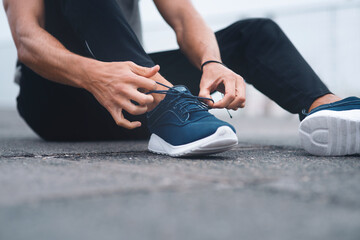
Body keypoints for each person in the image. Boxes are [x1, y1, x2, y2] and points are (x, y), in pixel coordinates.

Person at [3, 0, 360, 157]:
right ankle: (164, 107)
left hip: (134, 90)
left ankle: (325, 113)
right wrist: (95, 74)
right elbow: (27, 40)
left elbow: (184, 17)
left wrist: (212, 62)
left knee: (254, 33)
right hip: (58, 95)